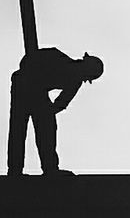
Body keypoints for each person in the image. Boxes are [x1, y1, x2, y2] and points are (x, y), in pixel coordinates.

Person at [6, 47, 104, 175]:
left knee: (47, 129)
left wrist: (47, 114)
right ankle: (15, 169)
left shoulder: (76, 81)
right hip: (23, 84)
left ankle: (50, 168)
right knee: (18, 128)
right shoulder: (55, 56)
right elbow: (27, 61)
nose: (84, 79)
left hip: (39, 92)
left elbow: (61, 103)